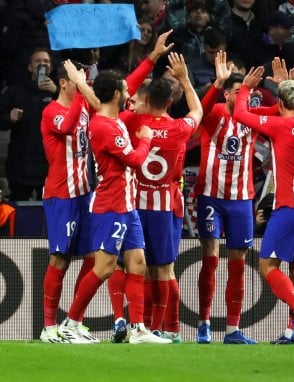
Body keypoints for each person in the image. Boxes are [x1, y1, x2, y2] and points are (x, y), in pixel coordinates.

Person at [56, 38, 174, 344]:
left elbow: (122, 88)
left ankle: (138, 330)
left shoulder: (113, 118)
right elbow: (135, 160)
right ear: (117, 95)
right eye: (125, 90)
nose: (130, 92)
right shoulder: (105, 127)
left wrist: (152, 57)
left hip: (127, 203)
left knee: (138, 263)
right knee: (105, 267)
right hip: (111, 204)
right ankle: (70, 322)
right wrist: (146, 139)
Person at [233, 59, 294, 345]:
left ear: (281, 102)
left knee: (268, 265)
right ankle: (291, 330)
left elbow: (241, 113)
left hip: (289, 207)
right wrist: (286, 88)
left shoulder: (280, 127)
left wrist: (246, 88)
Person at [124, 52, 202, 343]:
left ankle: (136, 324)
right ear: (171, 102)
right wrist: (184, 78)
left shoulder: (132, 121)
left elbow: (118, 98)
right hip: (165, 204)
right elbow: (197, 112)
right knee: (164, 269)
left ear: (144, 100)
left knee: (135, 267)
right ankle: (166, 327)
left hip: (133, 203)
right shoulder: (178, 128)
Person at [193, 51, 261, 345]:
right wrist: (215, 85)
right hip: (211, 196)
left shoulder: (254, 117)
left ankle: (232, 328)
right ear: (226, 94)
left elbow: (288, 114)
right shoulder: (218, 112)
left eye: (248, 92)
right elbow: (199, 112)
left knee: (238, 263)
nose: (246, 96)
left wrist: (286, 88)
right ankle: (204, 322)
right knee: (211, 259)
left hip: (241, 199)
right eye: (239, 91)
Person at [39, 60, 101, 344]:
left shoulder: (85, 107)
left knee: (93, 258)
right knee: (60, 258)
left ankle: (73, 322)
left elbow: (102, 103)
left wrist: (150, 59)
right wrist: (80, 89)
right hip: (61, 194)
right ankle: (48, 326)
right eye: (75, 78)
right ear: (63, 82)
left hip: (84, 192)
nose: (82, 81)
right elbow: (65, 127)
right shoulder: (51, 111)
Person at [0, 47, 56, 201]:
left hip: (50, 168)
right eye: (38, 61)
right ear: (30, 67)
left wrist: (57, 92)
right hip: (20, 166)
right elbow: (2, 120)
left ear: (51, 67)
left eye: (46, 61)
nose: (42, 64)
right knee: (19, 215)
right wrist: (8, 118)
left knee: (48, 217)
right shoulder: (15, 91)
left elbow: (75, 116)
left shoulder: (61, 92)